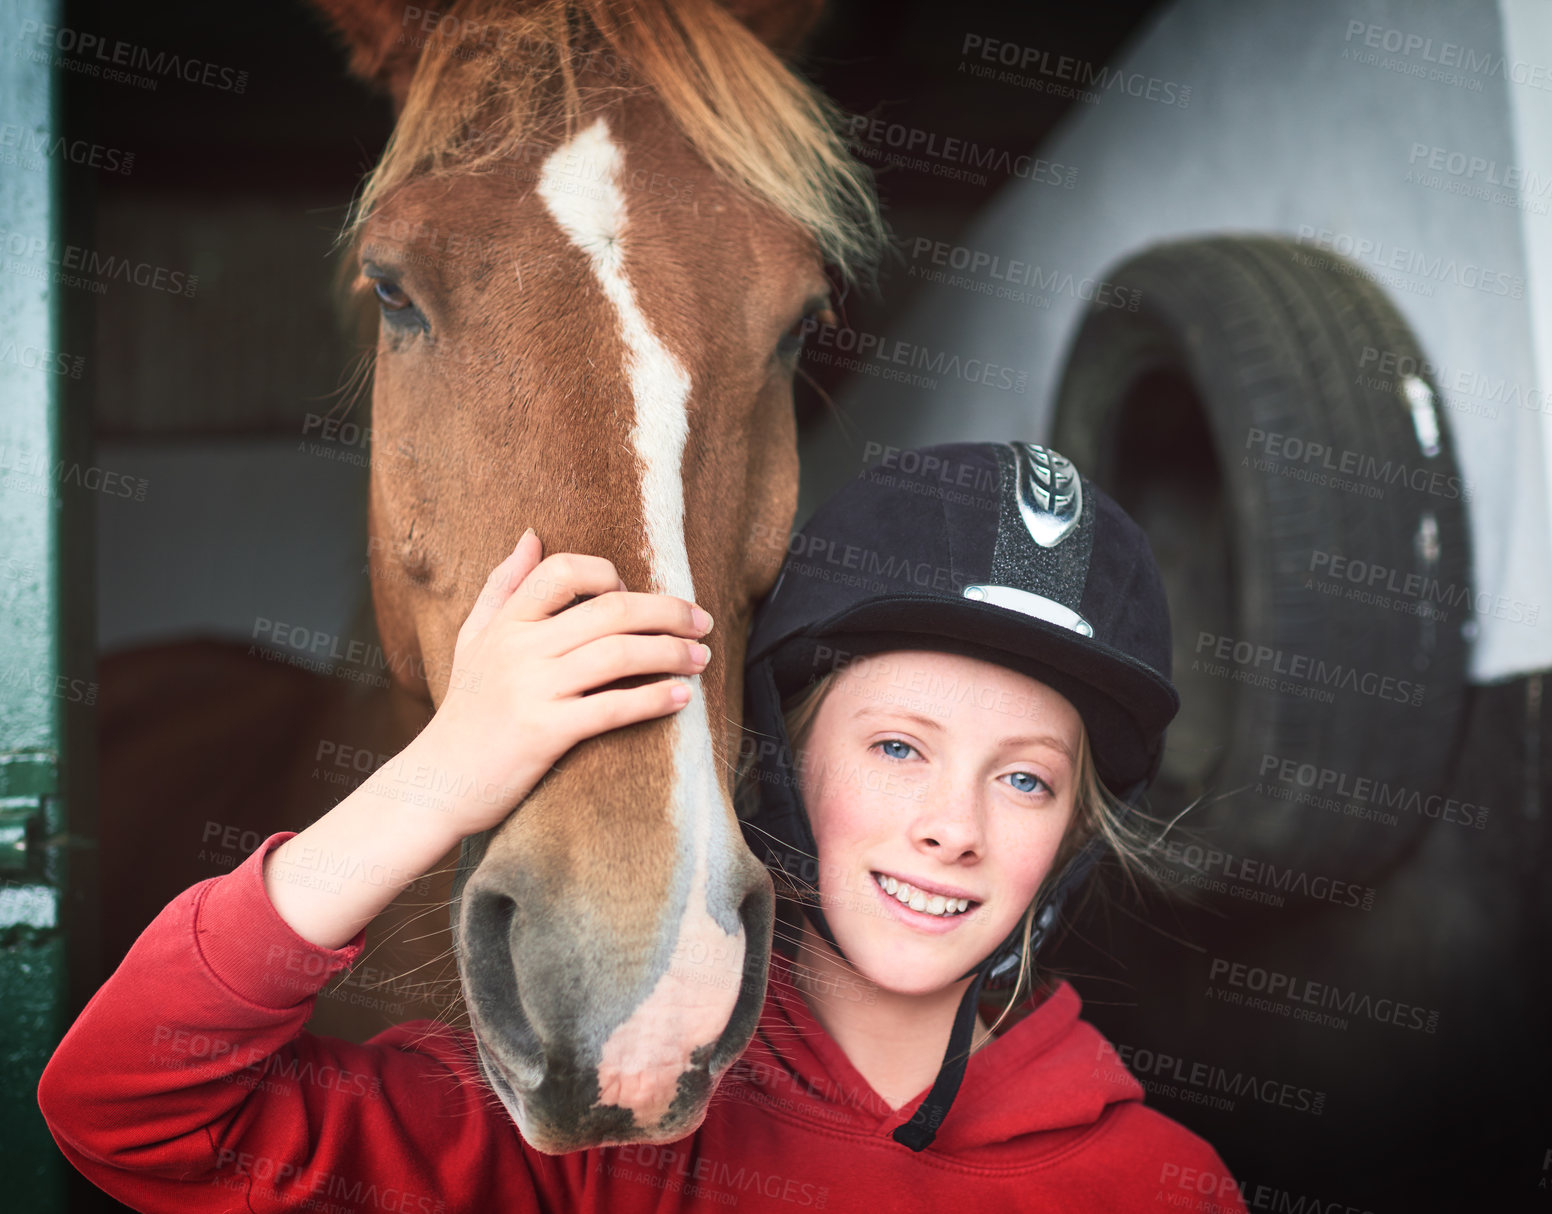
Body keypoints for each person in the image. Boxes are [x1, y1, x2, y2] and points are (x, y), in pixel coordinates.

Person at [38, 441, 1248, 1213]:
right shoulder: (607, 1110)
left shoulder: (1162, 1184)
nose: (954, 826)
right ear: (777, 762)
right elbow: (132, 1109)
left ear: (1072, 835)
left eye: (1026, 780)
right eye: (896, 747)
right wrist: (446, 772)